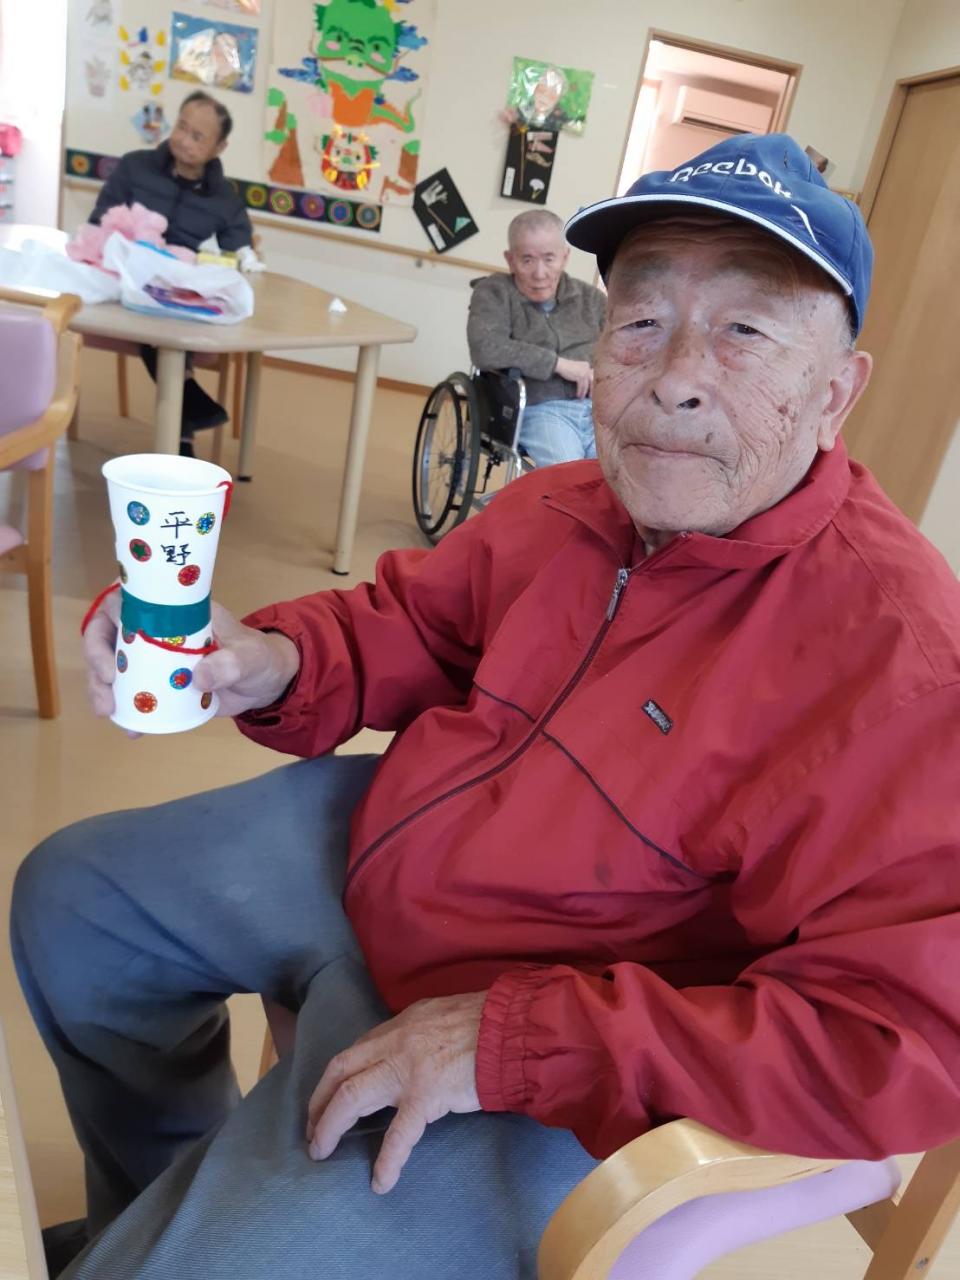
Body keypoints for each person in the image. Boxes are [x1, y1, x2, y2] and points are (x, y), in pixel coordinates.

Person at [14, 133, 960, 1279]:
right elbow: (413, 623)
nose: (676, 374)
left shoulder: (901, 659)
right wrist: (272, 656)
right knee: (76, 899)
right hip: (406, 855)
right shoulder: (564, 503)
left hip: (577, 1045)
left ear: (836, 393)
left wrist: (521, 1038)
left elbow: (901, 1039)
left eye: (746, 331)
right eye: (642, 318)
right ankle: (150, 1206)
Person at [90, 90, 256, 456]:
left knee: (167, 321)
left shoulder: (224, 200)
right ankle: (187, 421)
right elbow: (100, 220)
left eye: (198, 136)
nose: (184, 140)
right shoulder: (135, 166)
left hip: (176, 292)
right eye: (181, 127)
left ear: (219, 147)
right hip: (124, 279)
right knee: (154, 318)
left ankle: (185, 422)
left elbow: (240, 254)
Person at [467, 208, 606, 467]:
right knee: (569, 476)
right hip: (540, 409)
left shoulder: (592, 299)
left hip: (600, 410)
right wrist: (557, 364)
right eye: (527, 260)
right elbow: (485, 347)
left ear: (565, 257)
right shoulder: (494, 293)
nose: (540, 273)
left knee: (625, 476)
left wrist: (604, 373)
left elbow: (623, 347)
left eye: (549, 259)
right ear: (510, 260)